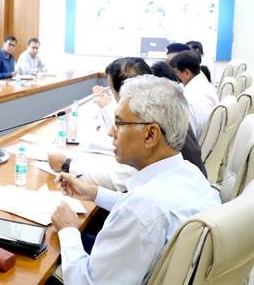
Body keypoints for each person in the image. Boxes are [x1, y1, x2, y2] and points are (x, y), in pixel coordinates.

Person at [50, 75, 220, 284]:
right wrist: (93, 193)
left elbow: (84, 282)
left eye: (119, 123)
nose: (111, 132)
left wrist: (67, 229)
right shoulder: (190, 174)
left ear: (150, 135)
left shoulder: (140, 211)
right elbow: (146, 210)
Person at [50, 57, 206, 191]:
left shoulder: (150, 120)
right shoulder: (163, 106)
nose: (112, 132)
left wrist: (67, 165)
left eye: (111, 90)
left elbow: (119, 181)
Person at [169, 50, 218, 140]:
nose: (176, 78)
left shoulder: (188, 100)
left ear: (187, 73)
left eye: (176, 73)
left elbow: (183, 140)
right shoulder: (206, 85)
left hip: (195, 143)